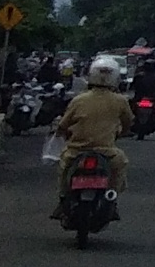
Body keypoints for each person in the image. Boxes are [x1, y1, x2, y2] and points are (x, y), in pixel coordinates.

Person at [53, 56, 134, 212]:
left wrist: (60, 132)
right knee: (120, 165)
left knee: (64, 169)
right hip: (106, 151)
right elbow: (128, 122)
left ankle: (63, 199)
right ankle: (112, 197)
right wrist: (123, 132)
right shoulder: (120, 101)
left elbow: (63, 124)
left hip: (76, 150)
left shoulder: (79, 100)